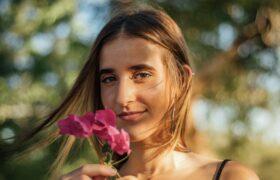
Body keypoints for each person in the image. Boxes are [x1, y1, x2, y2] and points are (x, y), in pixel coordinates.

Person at [6, 6, 259, 180]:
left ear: (181, 80)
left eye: (141, 75)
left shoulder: (231, 176)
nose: (122, 97)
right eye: (109, 79)